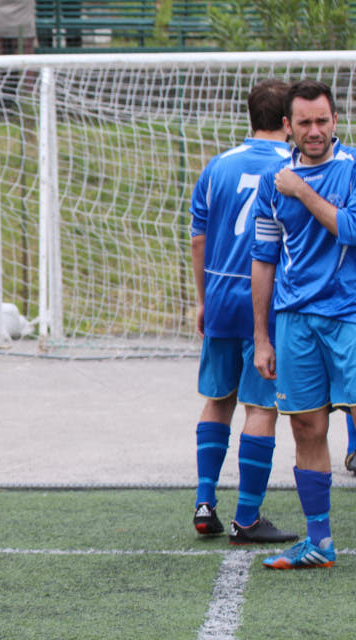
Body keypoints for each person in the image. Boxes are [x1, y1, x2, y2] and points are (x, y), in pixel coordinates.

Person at [251, 79, 356, 569]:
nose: (315, 131)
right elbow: (264, 258)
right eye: (305, 122)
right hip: (294, 321)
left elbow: (351, 229)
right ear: (287, 126)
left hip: (349, 316)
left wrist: (303, 190)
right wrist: (261, 336)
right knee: (307, 428)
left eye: (322, 121)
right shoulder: (272, 182)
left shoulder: (351, 168)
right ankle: (320, 543)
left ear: (336, 121)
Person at [188, 79, 298, 546]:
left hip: (220, 295)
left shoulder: (218, 165)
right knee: (260, 406)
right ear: (288, 121)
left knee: (218, 398)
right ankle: (247, 517)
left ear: (250, 116)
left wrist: (203, 299)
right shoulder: (295, 168)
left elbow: (198, 239)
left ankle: (204, 502)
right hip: (266, 302)